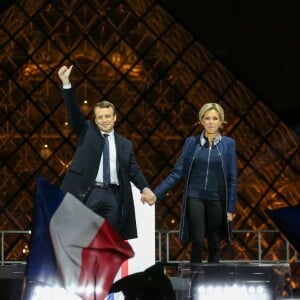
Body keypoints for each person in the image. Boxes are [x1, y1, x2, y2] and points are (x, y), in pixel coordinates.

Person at [57, 65, 155, 240]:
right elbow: (73, 113)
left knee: (110, 242)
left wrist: (145, 188)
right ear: (95, 120)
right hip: (90, 192)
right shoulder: (86, 131)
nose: (104, 120)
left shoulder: (125, 144)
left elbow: (134, 170)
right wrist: (66, 83)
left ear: (115, 117)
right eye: (100, 117)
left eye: (107, 116)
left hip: (114, 197)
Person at [143, 102, 237, 263]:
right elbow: (177, 172)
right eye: (207, 118)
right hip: (195, 197)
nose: (211, 122)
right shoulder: (191, 142)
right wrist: (156, 194)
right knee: (198, 241)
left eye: (215, 118)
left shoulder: (229, 144)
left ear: (221, 122)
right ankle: (195, 280)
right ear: (201, 120)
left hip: (217, 199)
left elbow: (232, 178)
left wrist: (230, 208)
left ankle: (211, 281)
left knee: (214, 242)